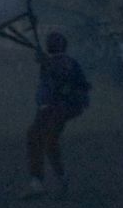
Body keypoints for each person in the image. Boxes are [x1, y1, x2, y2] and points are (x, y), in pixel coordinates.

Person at [22, 30, 91, 196]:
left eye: (52, 42)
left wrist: (47, 63)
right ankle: (40, 181)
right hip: (48, 106)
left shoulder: (66, 62)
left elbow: (64, 79)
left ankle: (53, 179)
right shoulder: (55, 61)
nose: (49, 43)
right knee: (36, 137)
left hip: (61, 106)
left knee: (48, 139)